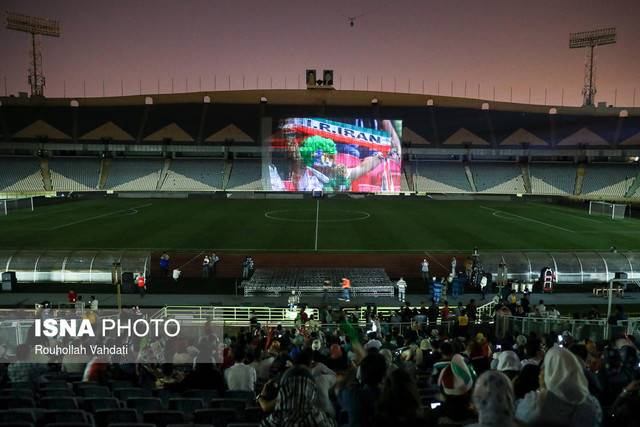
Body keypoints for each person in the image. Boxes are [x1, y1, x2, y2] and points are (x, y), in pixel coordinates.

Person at [515, 346, 602, 427]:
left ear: (551, 371)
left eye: (545, 367)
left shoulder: (536, 403)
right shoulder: (592, 403)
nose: (541, 373)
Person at [260, 366, 337, 427]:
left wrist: (262, 396)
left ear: (283, 390)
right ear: (312, 391)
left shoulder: (276, 418)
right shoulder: (318, 418)